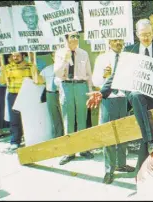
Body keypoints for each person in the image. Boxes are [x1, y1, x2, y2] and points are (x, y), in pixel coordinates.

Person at [89, 39, 135, 184]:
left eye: (120, 40)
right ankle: (109, 169)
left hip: (123, 99)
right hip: (108, 100)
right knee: (109, 134)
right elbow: (95, 82)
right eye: (114, 40)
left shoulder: (127, 57)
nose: (118, 43)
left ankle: (121, 163)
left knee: (123, 133)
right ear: (109, 42)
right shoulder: (101, 58)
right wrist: (104, 76)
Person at [54, 32, 94, 165]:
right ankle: (69, 152)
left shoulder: (84, 53)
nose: (76, 39)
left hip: (81, 86)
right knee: (68, 119)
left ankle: (83, 149)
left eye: (77, 36)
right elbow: (58, 73)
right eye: (72, 37)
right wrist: (65, 59)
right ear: (66, 38)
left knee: (82, 118)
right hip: (66, 86)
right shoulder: (59, 53)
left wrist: (90, 91)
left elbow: (88, 74)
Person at [0, 52, 44, 150]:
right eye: (13, 56)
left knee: (29, 118)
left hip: (27, 95)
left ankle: (31, 139)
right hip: (13, 95)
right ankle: (15, 141)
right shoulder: (7, 67)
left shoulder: (30, 66)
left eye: (18, 55)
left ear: (23, 56)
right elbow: (2, 81)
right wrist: (2, 72)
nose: (15, 57)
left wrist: (34, 70)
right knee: (14, 119)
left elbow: (39, 81)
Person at [40, 52, 64, 138]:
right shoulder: (47, 69)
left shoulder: (66, 68)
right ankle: (58, 137)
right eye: (54, 56)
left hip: (63, 93)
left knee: (66, 117)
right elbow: (38, 81)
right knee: (55, 117)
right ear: (52, 57)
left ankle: (67, 137)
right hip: (51, 94)